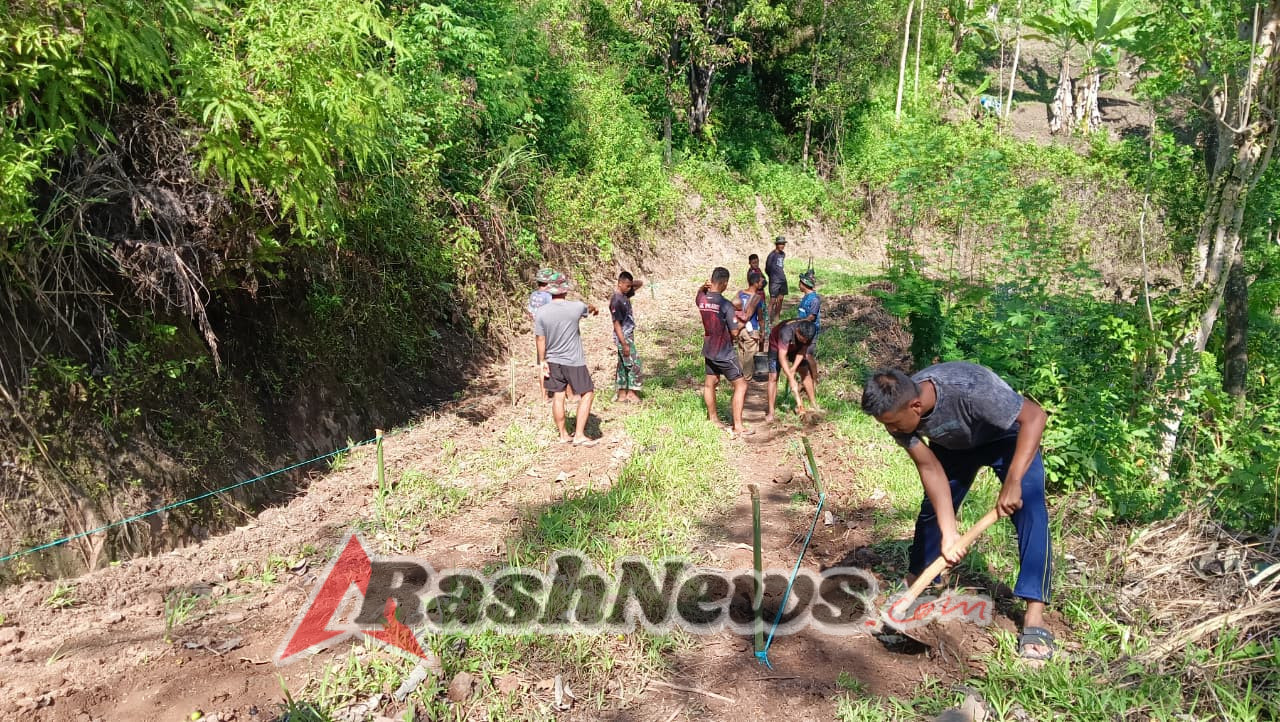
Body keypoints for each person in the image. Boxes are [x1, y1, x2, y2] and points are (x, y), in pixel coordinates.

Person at [860, 363, 1055, 662]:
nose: (892, 432)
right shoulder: (896, 410)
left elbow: (1035, 417)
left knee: (1031, 512)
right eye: (887, 426)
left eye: (895, 425)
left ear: (916, 405)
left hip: (1008, 438)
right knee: (932, 515)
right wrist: (950, 533)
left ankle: (1034, 616)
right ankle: (921, 583)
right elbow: (930, 468)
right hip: (954, 446)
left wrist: (1014, 480)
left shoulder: (970, 390)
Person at [535, 277, 600, 446]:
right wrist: (594, 309)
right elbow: (589, 308)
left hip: (553, 360)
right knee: (588, 393)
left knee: (558, 395)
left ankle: (563, 435)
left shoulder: (541, 313)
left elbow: (540, 339)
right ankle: (579, 434)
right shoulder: (576, 307)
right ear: (565, 290)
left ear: (550, 291)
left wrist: (542, 361)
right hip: (574, 360)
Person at [696, 267, 750, 436]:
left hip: (709, 349)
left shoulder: (702, 299)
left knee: (710, 383)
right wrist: (742, 322)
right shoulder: (726, 305)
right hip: (724, 352)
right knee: (741, 384)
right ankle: (738, 426)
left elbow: (698, 295)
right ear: (725, 283)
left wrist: (701, 287)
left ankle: (713, 419)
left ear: (711, 281)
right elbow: (734, 332)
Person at [765, 320, 818, 422]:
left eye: (806, 340)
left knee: (804, 371)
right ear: (797, 331)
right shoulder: (786, 331)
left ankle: (814, 404)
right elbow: (782, 356)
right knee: (773, 377)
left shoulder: (810, 331)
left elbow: (803, 351)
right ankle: (771, 412)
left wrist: (793, 368)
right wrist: (790, 377)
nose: (805, 341)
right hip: (777, 347)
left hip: (796, 348)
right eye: (802, 339)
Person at [610, 271, 644, 403]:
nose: (630, 288)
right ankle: (631, 392)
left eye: (630, 286)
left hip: (628, 333)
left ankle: (622, 393)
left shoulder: (625, 294)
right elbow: (616, 324)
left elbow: (640, 283)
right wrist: (624, 343)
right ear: (620, 284)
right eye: (627, 286)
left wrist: (629, 284)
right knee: (634, 364)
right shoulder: (616, 301)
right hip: (623, 336)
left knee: (623, 365)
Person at [734, 270, 767, 364]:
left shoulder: (740, 293)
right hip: (751, 330)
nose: (762, 283)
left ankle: (740, 376)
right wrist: (762, 331)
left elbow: (733, 305)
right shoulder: (757, 298)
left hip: (739, 328)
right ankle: (747, 378)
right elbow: (760, 318)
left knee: (741, 354)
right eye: (760, 282)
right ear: (755, 283)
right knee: (749, 360)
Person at [526, 269, 556, 367]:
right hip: (550, 331)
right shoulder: (549, 296)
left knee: (541, 360)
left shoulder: (533, 295)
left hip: (539, 330)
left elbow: (530, 313)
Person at [765, 236, 787, 326]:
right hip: (774, 281)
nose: (782, 246)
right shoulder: (772, 255)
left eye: (783, 244)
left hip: (782, 279)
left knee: (781, 299)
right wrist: (773, 277)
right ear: (776, 245)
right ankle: (768, 320)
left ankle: (777, 318)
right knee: (772, 300)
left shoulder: (783, 254)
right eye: (780, 244)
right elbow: (767, 268)